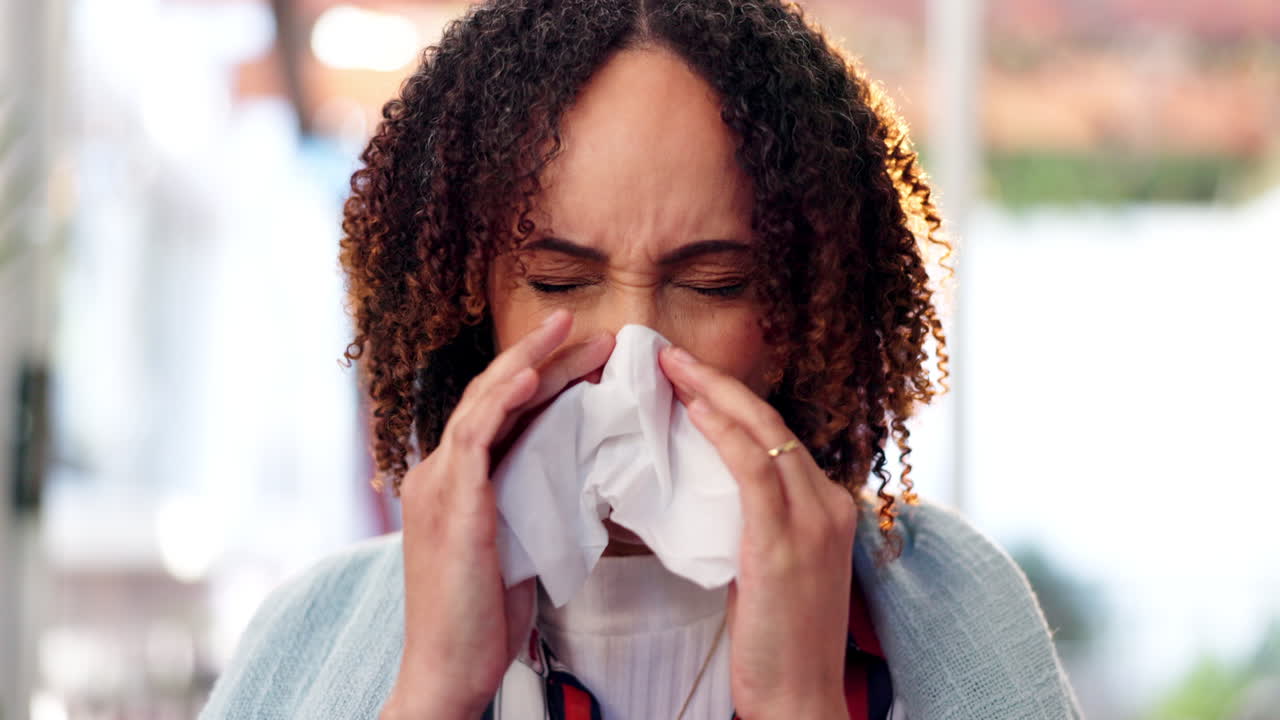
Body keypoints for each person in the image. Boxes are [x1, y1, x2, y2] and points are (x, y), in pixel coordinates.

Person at [199, 1, 1084, 718]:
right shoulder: (306, 636)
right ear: (472, 305)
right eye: (556, 280)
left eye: (715, 285)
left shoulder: (955, 610)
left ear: (807, 314)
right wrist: (432, 692)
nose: (631, 357)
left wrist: (799, 704)